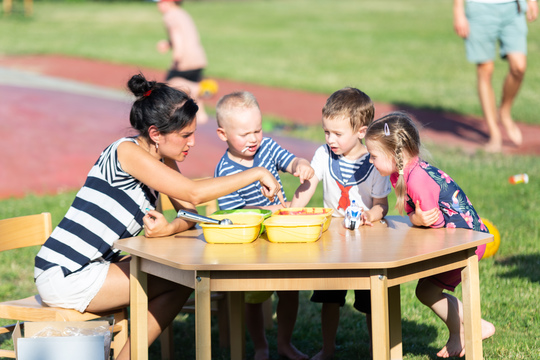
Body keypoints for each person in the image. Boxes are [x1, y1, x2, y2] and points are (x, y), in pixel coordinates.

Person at [33, 74, 284, 360]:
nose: (191, 143)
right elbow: (193, 194)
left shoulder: (160, 158)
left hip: (94, 267)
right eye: (185, 136)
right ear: (155, 134)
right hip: (66, 273)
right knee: (179, 278)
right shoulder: (127, 152)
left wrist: (169, 228)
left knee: (180, 278)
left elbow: (191, 214)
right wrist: (257, 172)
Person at [364, 111, 496, 358]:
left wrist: (414, 220)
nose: (370, 161)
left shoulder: (417, 180)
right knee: (426, 291)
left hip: (466, 242)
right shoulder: (403, 173)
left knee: (426, 291)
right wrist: (416, 220)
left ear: (396, 155)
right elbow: (424, 220)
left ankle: (468, 330)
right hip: (459, 239)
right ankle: (469, 329)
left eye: (373, 156)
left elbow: (429, 222)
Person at [290, 87, 391, 360]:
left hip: (366, 244)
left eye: (337, 134)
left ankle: (376, 350)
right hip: (332, 242)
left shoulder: (375, 161)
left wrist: (373, 214)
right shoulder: (324, 155)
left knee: (371, 301)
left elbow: (382, 204)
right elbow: (309, 186)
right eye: (326, 132)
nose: (330, 139)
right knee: (329, 298)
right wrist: (291, 210)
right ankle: (328, 349)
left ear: (361, 131)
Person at [214, 91, 313, 360]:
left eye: (257, 130)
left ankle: (284, 343)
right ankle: (261, 345)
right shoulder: (225, 172)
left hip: (282, 236)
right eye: (245, 134)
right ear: (223, 135)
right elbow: (233, 214)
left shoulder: (267, 147)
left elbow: (289, 160)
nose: (253, 138)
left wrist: (300, 164)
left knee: (290, 291)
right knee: (254, 298)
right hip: (253, 246)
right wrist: (267, 210)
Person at [453, 0, 538, 153]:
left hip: (513, 8)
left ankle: (504, 111)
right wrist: (458, 10)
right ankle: (494, 134)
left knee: (519, 67)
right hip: (479, 9)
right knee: (485, 69)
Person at [156, 0, 211, 124]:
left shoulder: (170, 16)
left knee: (169, 87)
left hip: (186, 60)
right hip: (198, 57)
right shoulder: (182, 13)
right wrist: (169, 44)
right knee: (188, 87)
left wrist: (177, 58)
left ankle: (168, 119)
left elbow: (178, 37)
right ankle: (201, 115)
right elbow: (186, 35)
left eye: (160, 2)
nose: (158, 5)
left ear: (168, 3)